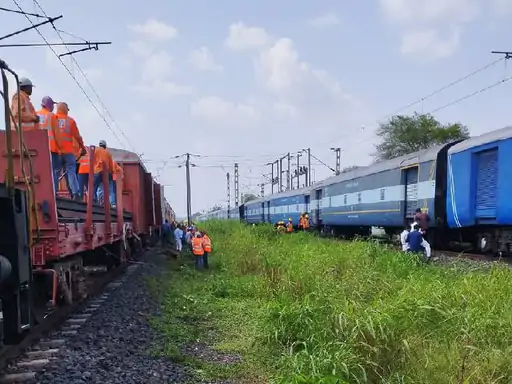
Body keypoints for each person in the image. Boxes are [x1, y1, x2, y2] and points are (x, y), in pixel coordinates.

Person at [54, 102, 86, 200]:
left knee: (56, 172)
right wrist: (83, 148)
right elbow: (77, 136)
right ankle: (75, 193)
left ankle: (54, 192)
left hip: (56, 151)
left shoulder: (52, 119)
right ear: (65, 110)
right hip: (68, 152)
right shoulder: (70, 121)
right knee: (71, 172)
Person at [36, 96, 65, 190]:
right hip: (51, 149)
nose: (53, 107)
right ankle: (53, 192)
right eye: (52, 104)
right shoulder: (51, 116)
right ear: (49, 105)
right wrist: (61, 148)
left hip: (38, 149)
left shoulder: (35, 115)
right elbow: (57, 134)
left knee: (39, 171)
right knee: (53, 172)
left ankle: (40, 190)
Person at [92, 140, 115, 205]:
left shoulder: (95, 151)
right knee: (110, 189)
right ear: (105, 146)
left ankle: (94, 200)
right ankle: (112, 203)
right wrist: (111, 172)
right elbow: (111, 165)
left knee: (95, 187)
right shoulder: (108, 153)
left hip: (97, 171)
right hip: (106, 172)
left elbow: (92, 161)